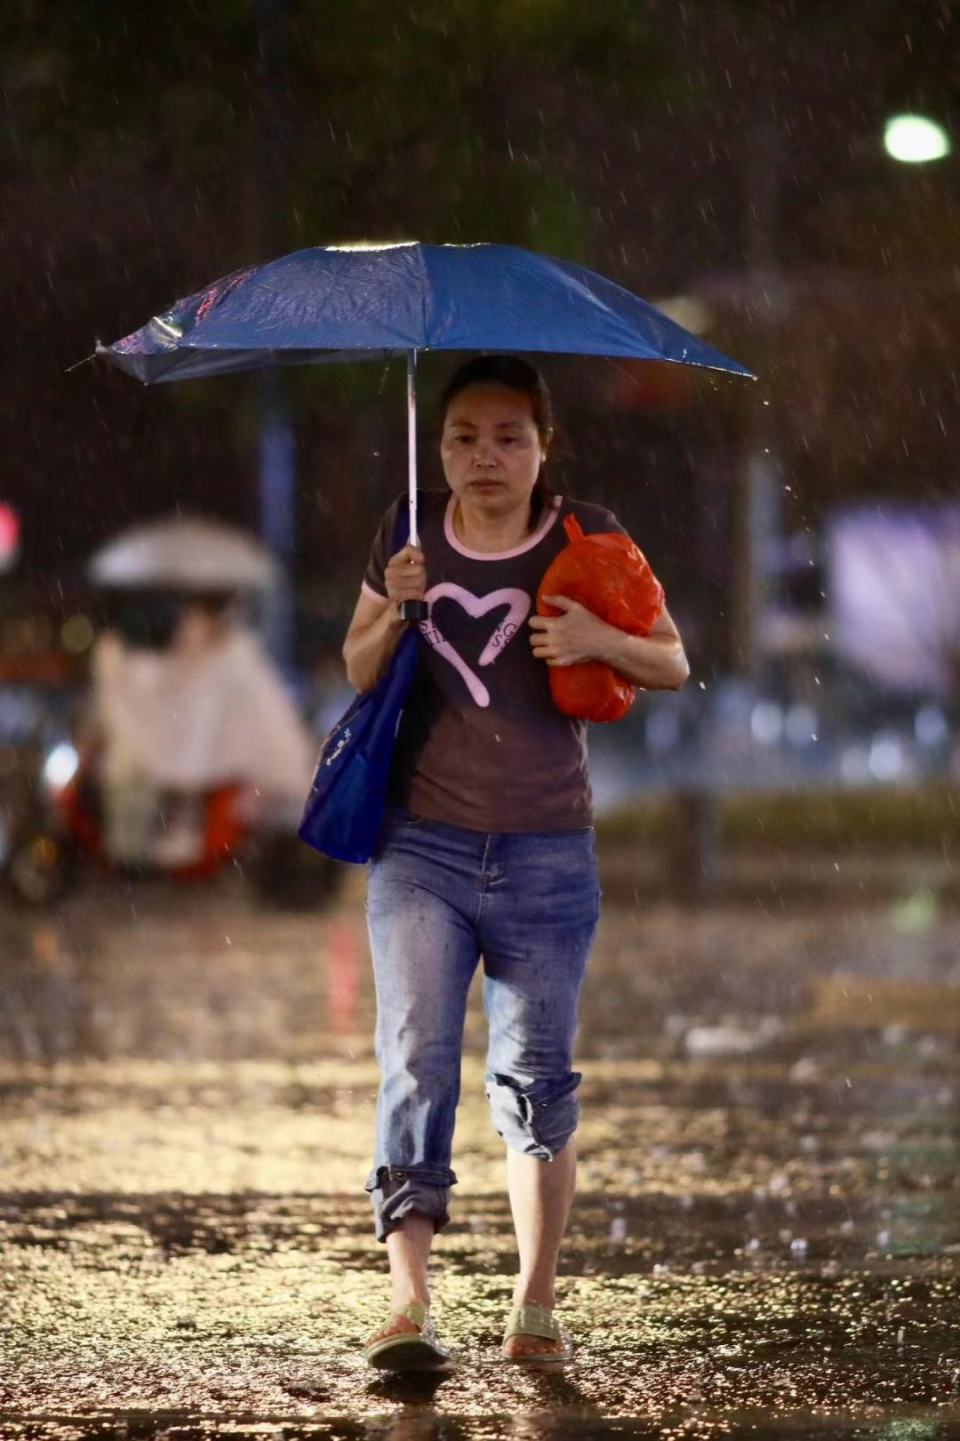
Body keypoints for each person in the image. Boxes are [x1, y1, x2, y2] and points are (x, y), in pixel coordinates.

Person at [343, 354, 689, 1368]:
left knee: (535, 1080)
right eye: (461, 438)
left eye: (507, 438)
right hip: (421, 848)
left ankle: (535, 1301)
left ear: (545, 448)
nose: (483, 457)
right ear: (438, 445)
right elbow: (358, 670)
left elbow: (670, 658)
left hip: (546, 853)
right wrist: (397, 606)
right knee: (413, 1059)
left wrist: (594, 634)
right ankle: (410, 1305)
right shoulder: (407, 533)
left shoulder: (591, 536)